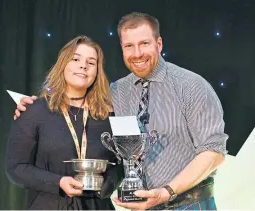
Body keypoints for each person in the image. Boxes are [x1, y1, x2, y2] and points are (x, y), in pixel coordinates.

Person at [14, 12, 228, 210]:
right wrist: (33, 105)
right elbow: (73, 102)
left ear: (159, 44)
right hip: (140, 206)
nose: (137, 54)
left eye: (144, 43)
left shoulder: (191, 86)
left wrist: (166, 192)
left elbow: (214, 152)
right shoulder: (115, 92)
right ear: (122, 48)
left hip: (188, 204)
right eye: (129, 46)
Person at [5, 35, 124, 210]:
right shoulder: (34, 111)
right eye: (76, 59)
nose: (83, 65)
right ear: (63, 64)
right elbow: (15, 167)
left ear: (97, 72)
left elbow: (123, 162)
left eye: (91, 63)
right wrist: (58, 182)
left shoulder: (108, 115)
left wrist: (111, 181)